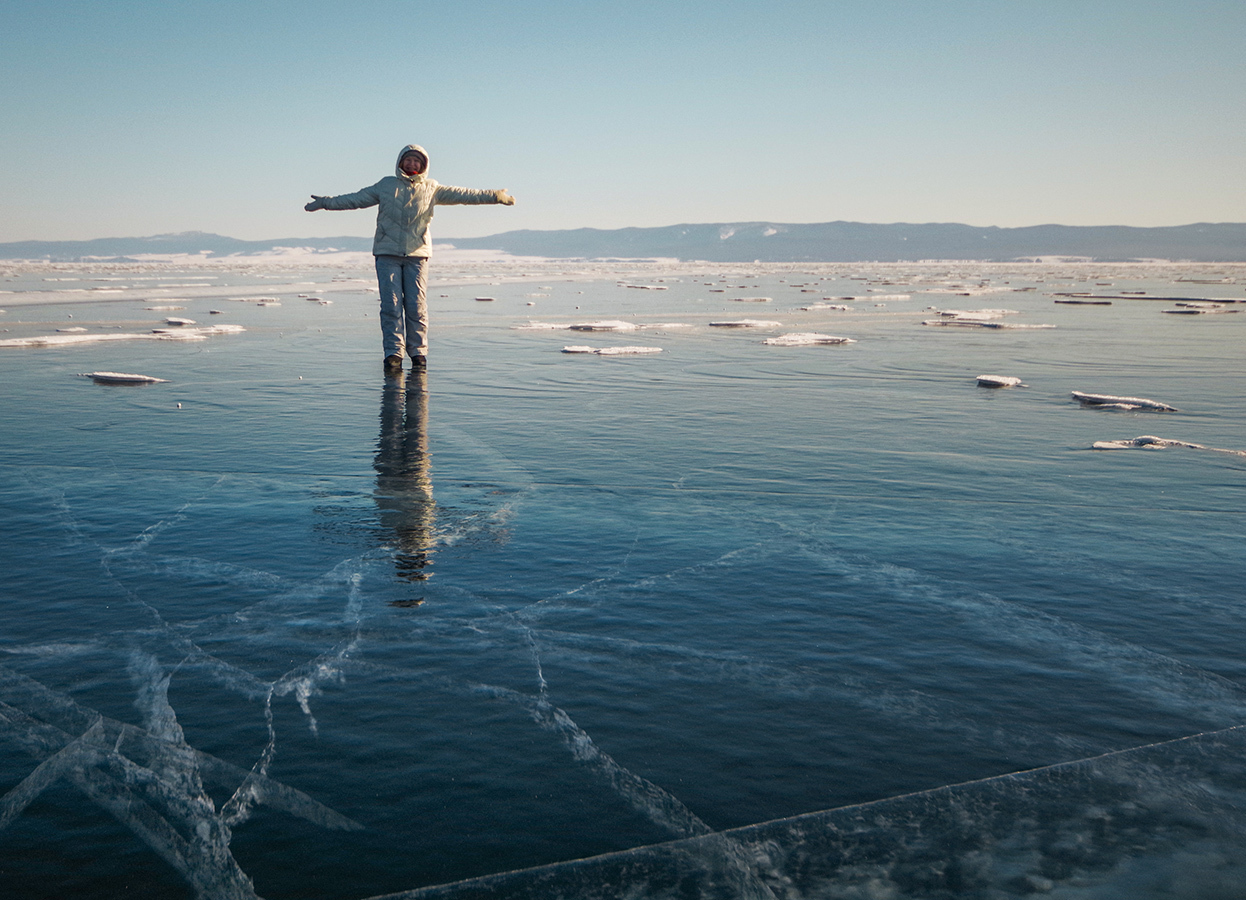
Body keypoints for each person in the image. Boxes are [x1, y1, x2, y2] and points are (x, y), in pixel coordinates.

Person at [305, 144, 515, 372]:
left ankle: (418, 352)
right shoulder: (386, 185)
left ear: (423, 165)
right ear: (400, 162)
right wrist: (326, 202)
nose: (412, 164)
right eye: (408, 160)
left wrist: (495, 196)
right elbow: (356, 199)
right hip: (387, 253)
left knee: (416, 306)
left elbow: (465, 195)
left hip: (417, 254)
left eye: (417, 161)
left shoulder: (432, 188)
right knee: (391, 306)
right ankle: (393, 353)